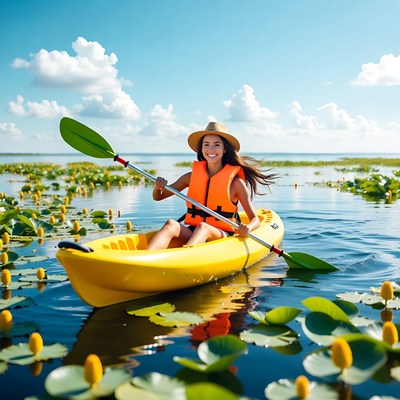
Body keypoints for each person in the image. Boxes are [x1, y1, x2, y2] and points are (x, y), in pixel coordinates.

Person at [147, 121, 277, 250]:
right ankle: (147, 258)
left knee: (203, 227)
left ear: (224, 149)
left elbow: (255, 219)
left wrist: (247, 227)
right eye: (206, 144)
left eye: (216, 145)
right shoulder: (190, 177)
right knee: (171, 224)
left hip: (222, 234)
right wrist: (158, 188)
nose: (211, 149)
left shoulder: (236, 183)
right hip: (193, 230)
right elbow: (158, 197)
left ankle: (186, 258)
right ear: (201, 149)